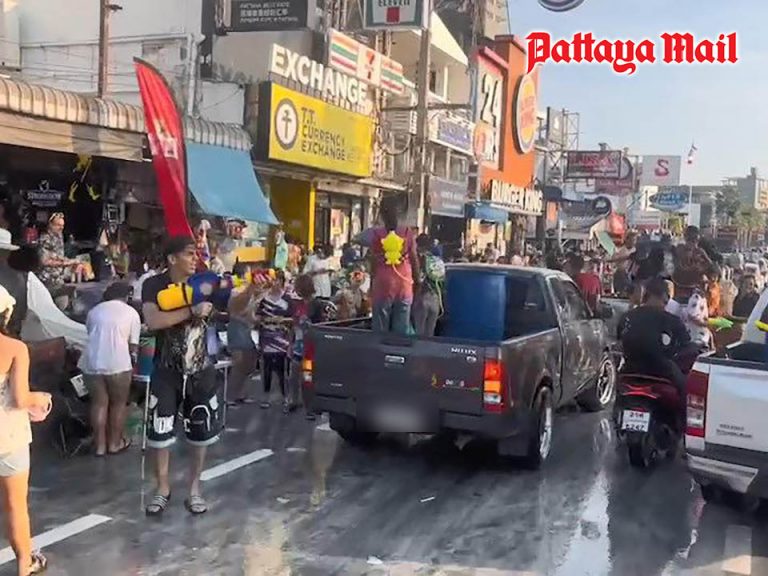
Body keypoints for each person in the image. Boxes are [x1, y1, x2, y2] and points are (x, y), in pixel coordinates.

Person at [141, 236, 259, 516]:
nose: (196, 258)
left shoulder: (208, 283)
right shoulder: (154, 285)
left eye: (197, 254)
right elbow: (153, 320)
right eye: (189, 254)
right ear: (172, 258)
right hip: (166, 369)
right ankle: (162, 488)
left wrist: (253, 289)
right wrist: (190, 311)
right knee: (160, 432)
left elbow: (235, 308)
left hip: (201, 368)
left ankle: (194, 489)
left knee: (201, 432)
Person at [0, 285, 52, 576]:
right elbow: (21, 398)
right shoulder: (14, 348)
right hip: (8, 438)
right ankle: (25, 565)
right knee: (16, 506)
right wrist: (40, 399)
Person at [82, 282, 141, 456]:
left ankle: (100, 446)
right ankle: (115, 444)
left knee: (98, 403)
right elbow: (133, 345)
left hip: (92, 361)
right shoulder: (131, 313)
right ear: (126, 296)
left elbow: (90, 333)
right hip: (118, 363)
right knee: (118, 404)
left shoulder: (94, 311)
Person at [617, 277, 692, 395]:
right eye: (667, 296)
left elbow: (619, 340)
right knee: (687, 391)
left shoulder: (627, 317)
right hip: (662, 370)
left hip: (629, 368)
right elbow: (686, 344)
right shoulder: (672, 320)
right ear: (663, 295)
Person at [357, 200, 420, 334]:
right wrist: (417, 281)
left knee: (380, 330)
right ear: (398, 215)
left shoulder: (376, 234)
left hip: (382, 285)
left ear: (381, 216)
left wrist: (371, 286)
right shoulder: (407, 233)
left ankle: (380, 347)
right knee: (401, 330)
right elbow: (414, 259)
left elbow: (374, 262)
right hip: (404, 284)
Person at [255, 270, 292, 411]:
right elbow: (257, 317)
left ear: (281, 282)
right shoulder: (264, 300)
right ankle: (266, 396)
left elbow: (293, 319)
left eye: (276, 280)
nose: (273, 282)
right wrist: (262, 321)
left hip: (282, 340)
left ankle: (285, 397)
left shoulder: (287, 299)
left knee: (283, 370)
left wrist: (282, 320)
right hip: (267, 339)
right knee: (267, 369)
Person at [226, 262, 259, 406]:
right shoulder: (236, 291)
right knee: (238, 363)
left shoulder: (249, 289)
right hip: (237, 328)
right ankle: (230, 396)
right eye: (248, 272)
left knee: (249, 363)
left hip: (247, 329)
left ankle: (241, 393)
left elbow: (252, 310)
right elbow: (235, 309)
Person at [37, 212, 79, 310]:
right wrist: (64, 263)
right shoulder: (45, 238)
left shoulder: (59, 236)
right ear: (50, 225)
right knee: (60, 302)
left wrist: (71, 261)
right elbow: (44, 261)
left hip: (58, 278)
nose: (61, 228)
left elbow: (57, 255)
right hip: (47, 279)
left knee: (68, 297)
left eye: (62, 225)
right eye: (58, 225)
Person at [672, 226, 714, 305]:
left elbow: (711, 266)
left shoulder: (699, 252)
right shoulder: (680, 249)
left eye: (694, 240)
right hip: (681, 285)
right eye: (690, 239)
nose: (692, 242)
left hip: (692, 287)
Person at [412, 234, 443, 337]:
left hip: (423, 297)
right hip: (436, 299)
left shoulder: (421, 259)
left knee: (419, 334)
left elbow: (419, 280)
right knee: (430, 334)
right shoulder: (437, 260)